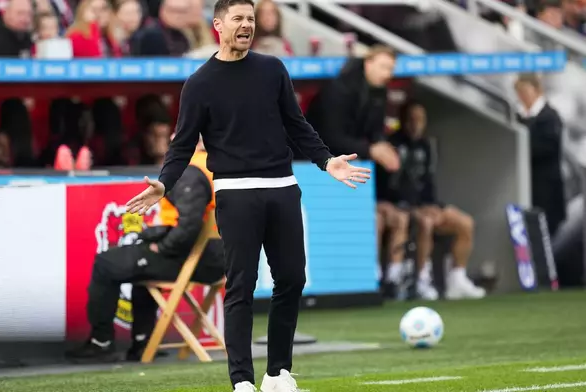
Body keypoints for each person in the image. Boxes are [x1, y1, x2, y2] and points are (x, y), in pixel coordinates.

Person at [125, 0, 371, 390]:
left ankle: (278, 373)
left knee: (291, 278)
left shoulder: (272, 68)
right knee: (241, 284)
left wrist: (326, 161)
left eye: (251, 19)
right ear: (218, 25)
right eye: (238, 18)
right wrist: (164, 183)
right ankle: (242, 381)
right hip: (235, 194)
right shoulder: (200, 83)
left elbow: (297, 124)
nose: (246, 25)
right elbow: (182, 145)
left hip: (283, 188)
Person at [66, 139, 225, 362]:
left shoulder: (191, 171)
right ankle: (143, 343)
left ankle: (100, 342)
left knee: (106, 263)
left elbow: (189, 226)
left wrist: (161, 246)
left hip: (197, 258)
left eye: (178, 131)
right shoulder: (217, 164)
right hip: (214, 256)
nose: (171, 137)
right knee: (137, 265)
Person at [378, 101, 486, 300]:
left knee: (465, 223)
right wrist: (413, 208)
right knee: (425, 223)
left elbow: (427, 181)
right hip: (398, 206)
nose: (416, 124)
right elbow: (388, 185)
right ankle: (421, 280)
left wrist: (433, 205)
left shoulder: (427, 146)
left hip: (424, 204)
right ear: (402, 120)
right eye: (411, 119)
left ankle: (457, 279)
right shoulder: (391, 144)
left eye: (420, 120)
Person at [305, 44, 401, 173]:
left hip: (350, 160)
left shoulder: (380, 92)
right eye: (383, 67)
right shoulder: (341, 88)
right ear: (368, 63)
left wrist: (382, 146)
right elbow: (331, 136)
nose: (387, 74)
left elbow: (375, 131)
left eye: (391, 69)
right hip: (313, 160)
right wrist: (370, 149)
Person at [514, 73, 566, 237]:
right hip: (526, 189)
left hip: (546, 193)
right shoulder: (519, 117)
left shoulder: (550, 118)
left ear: (536, 90)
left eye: (525, 91)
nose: (522, 96)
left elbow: (545, 148)